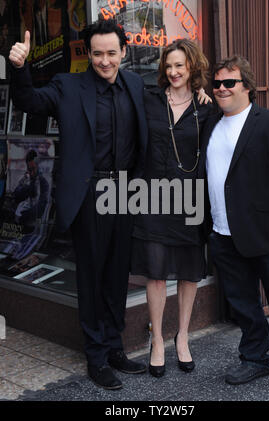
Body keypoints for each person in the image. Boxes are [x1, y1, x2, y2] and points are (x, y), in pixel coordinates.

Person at [9, 18, 148, 390]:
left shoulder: (134, 84)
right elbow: (29, 101)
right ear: (88, 53)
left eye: (112, 53)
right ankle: (97, 356)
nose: (105, 61)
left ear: (124, 52)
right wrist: (19, 67)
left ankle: (115, 346)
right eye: (98, 54)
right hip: (89, 193)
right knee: (91, 277)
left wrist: (200, 96)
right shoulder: (68, 86)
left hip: (126, 193)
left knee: (118, 276)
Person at [201, 55, 269, 398]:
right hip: (223, 233)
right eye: (217, 84)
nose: (222, 89)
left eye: (230, 82)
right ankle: (255, 358)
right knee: (244, 303)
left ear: (247, 86)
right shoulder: (210, 124)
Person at [131, 39, 212, 377]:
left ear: (192, 67)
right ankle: (158, 341)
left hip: (191, 199)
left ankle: (182, 337)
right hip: (152, 197)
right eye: (169, 65)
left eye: (180, 65)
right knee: (157, 272)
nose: (174, 71)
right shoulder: (149, 100)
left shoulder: (206, 107)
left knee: (190, 273)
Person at [14, 149, 49, 225]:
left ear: (38, 166)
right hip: (21, 219)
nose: (32, 173)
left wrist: (27, 215)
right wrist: (26, 189)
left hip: (32, 223)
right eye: (30, 170)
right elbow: (16, 194)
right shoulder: (26, 178)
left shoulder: (43, 183)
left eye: (33, 169)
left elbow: (41, 207)